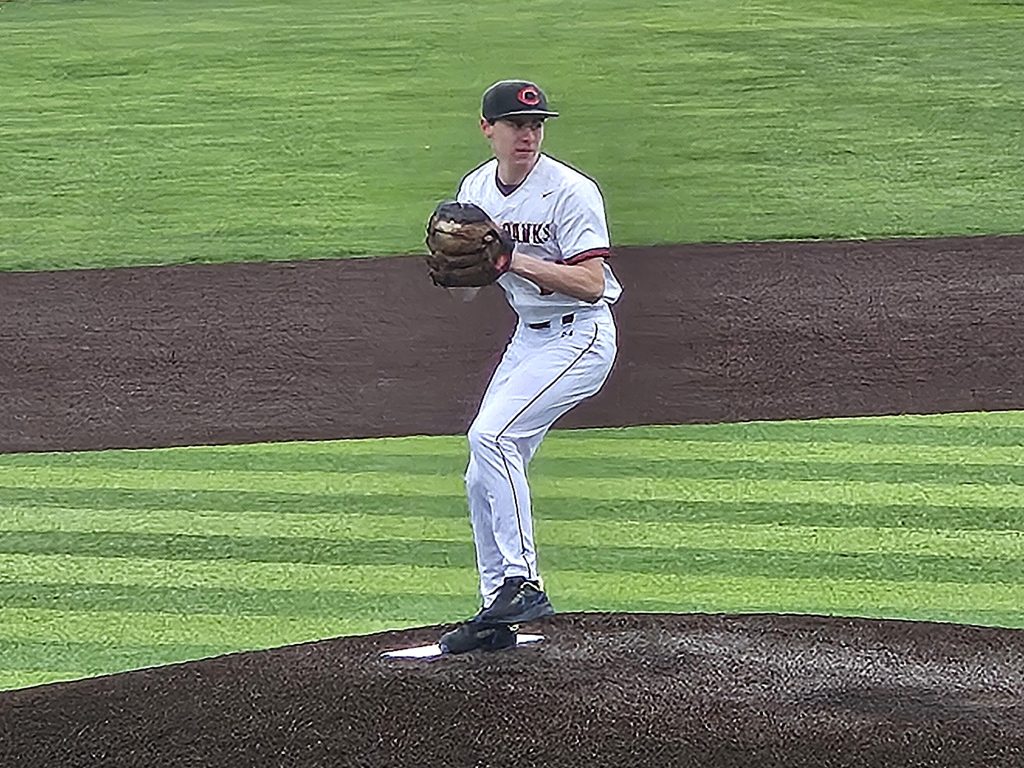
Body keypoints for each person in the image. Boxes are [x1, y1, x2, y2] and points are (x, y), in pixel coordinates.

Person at [438, 79, 622, 653]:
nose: (528, 134)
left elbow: (593, 285)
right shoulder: (476, 189)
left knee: (491, 436)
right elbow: (471, 285)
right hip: (530, 339)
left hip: (582, 338)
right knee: (480, 466)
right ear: (487, 129)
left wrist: (509, 257)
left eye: (537, 125)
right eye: (517, 125)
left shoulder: (570, 192)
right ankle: (496, 608)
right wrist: (454, 274)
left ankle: (523, 581)